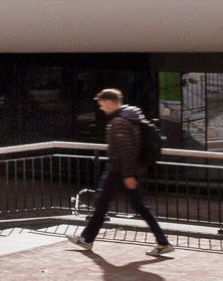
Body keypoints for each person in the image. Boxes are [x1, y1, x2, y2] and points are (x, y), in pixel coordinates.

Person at [71, 88, 171, 253]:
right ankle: (163, 242)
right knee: (138, 206)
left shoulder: (119, 122)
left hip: (118, 171)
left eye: (102, 104)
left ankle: (87, 239)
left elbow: (126, 150)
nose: (101, 108)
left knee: (102, 204)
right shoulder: (131, 118)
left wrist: (128, 175)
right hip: (127, 170)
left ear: (109, 102)